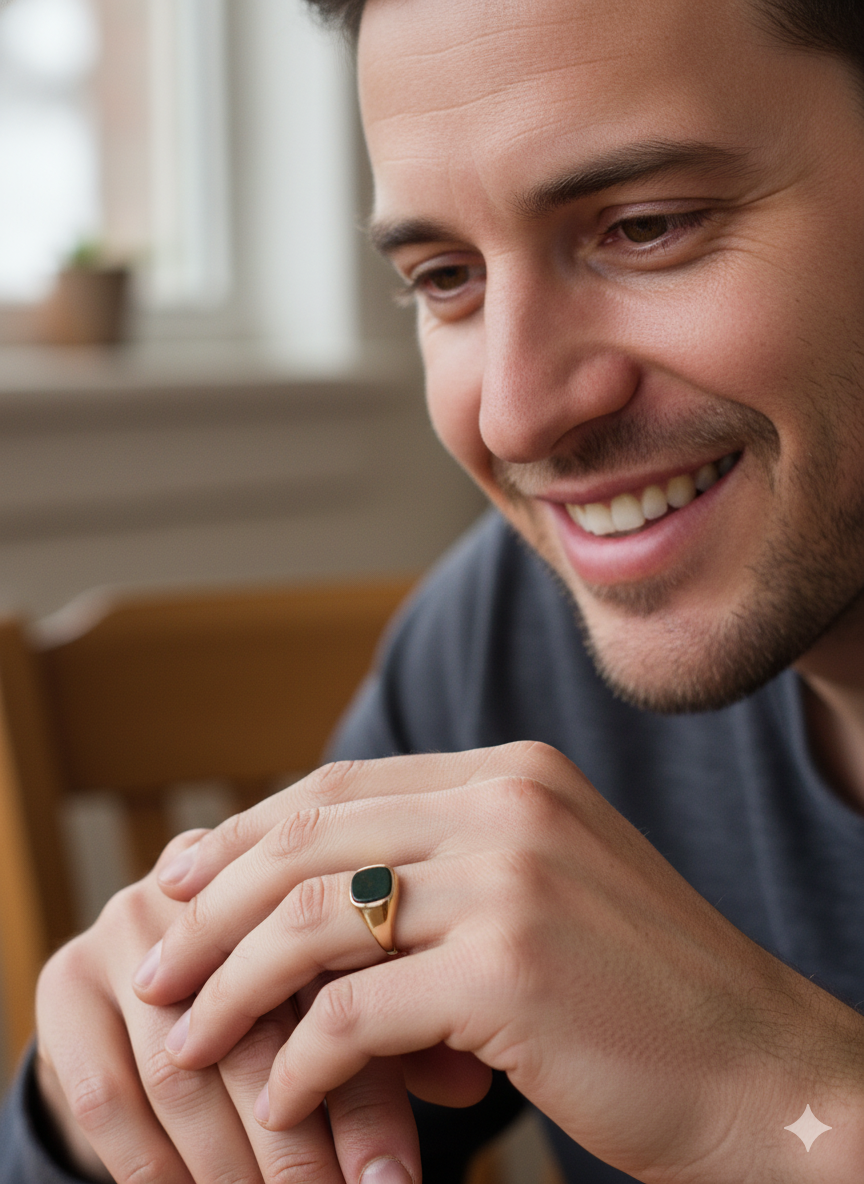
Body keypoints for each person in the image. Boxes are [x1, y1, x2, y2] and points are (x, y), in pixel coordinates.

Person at [6, 0, 864, 1179]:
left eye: (647, 226)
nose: (513, 410)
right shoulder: (510, 641)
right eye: (445, 276)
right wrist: (100, 1103)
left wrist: (791, 1106)